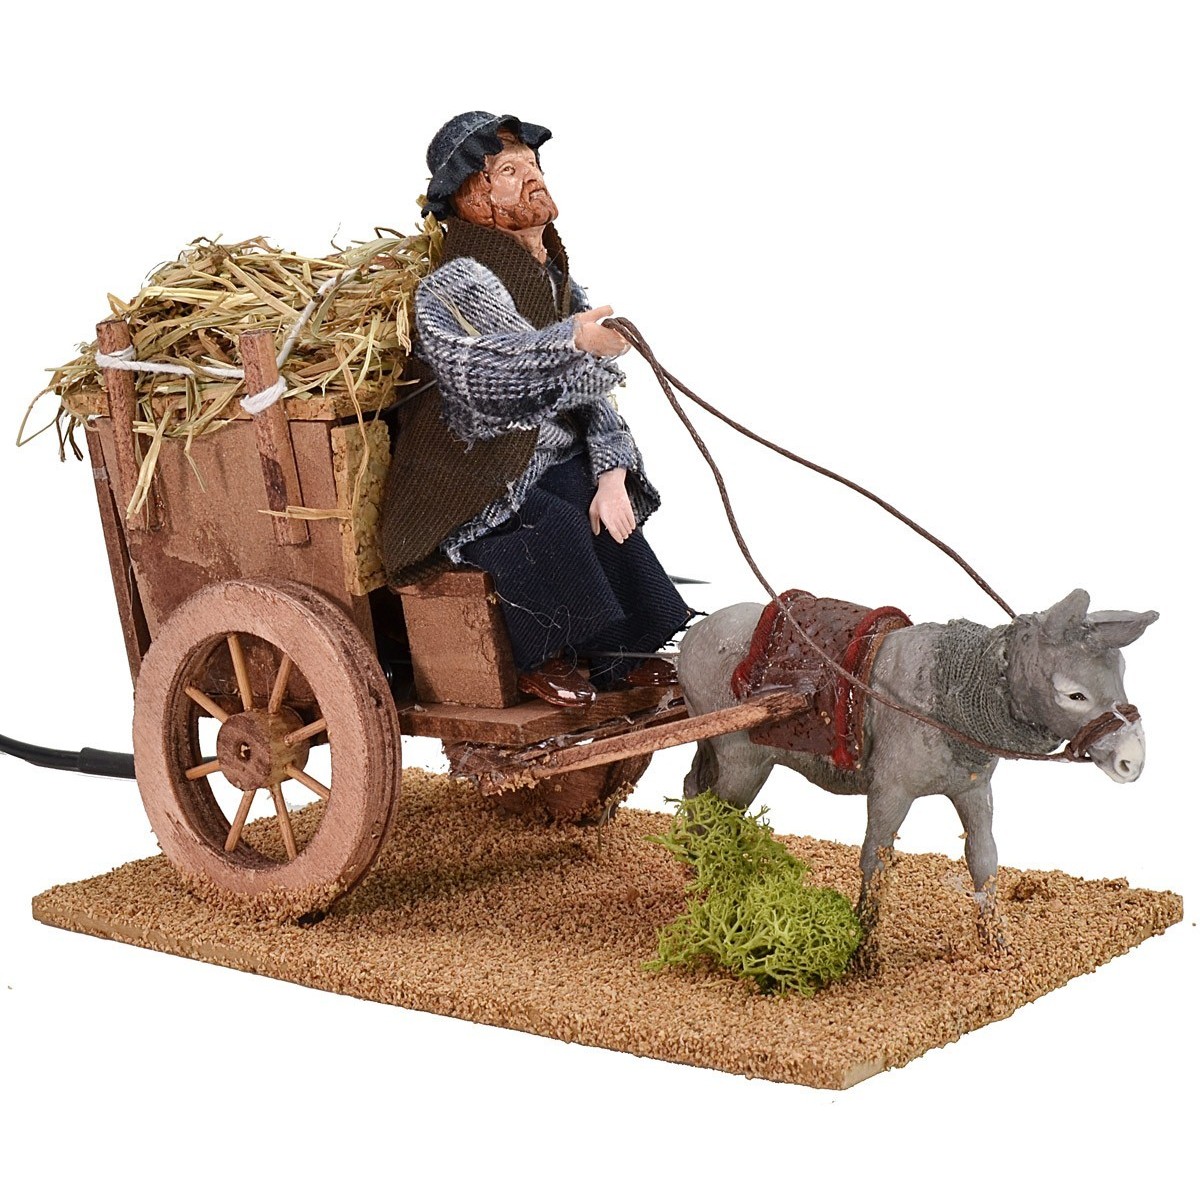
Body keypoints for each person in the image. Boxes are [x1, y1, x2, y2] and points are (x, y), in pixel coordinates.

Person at [378, 112, 690, 707]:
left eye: (533, 166)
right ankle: (546, 657)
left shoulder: (558, 283)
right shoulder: (453, 284)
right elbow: (487, 375)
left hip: (546, 459)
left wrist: (613, 472)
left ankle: (622, 654)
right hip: (471, 470)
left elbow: (592, 394)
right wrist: (572, 342)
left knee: (599, 509)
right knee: (549, 521)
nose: (532, 178)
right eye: (509, 171)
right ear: (472, 197)